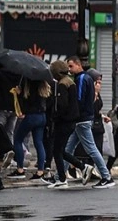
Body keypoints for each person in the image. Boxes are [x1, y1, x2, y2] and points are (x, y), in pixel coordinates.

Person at [64, 56, 115, 188]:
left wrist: (73, 114)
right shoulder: (87, 78)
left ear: (78, 64)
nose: (69, 70)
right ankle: (60, 176)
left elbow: (79, 99)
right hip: (84, 119)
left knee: (91, 149)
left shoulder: (81, 79)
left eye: (71, 66)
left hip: (81, 120)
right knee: (68, 148)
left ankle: (106, 176)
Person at [43, 60, 80, 189]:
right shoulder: (71, 82)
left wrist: (55, 116)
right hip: (71, 121)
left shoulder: (62, 84)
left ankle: (62, 179)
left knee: (57, 150)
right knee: (60, 150)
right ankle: (82, 167)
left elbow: (62, 105)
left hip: (64, 122)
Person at [6, 78, 50, 180]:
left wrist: (19, 93)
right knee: (39, 142)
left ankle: (20, 169)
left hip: (31, 116)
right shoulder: (43, 85)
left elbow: (26, 101)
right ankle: (40, 171)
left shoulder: (29, 84)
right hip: (42, 116)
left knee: (17, 140)